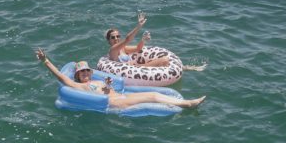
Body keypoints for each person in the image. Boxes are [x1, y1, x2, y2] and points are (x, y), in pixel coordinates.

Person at [36, 49, 206, 109]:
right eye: (82, 73)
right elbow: (60, 76)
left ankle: (184, 103)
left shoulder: (95, 81)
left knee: (153, 94)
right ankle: (187, 104)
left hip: (121, 97)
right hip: (116, 104)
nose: (86, 74)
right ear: (78, 76)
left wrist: (107, 86)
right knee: (153, 96)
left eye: (87, 71)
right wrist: (46, 61)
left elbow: (105, 91)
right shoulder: (78, 86)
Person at [105, 12, 170, 67]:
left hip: (135, 69)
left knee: (165, 60)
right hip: (130, 74)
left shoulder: (123, 49)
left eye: (118, 36)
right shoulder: (113, 50)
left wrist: (143, 40)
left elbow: (138, 48)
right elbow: (127, 39)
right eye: (113, 37)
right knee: (164, 60)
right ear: (109, 40)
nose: (116, 38)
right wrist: (139, 26)